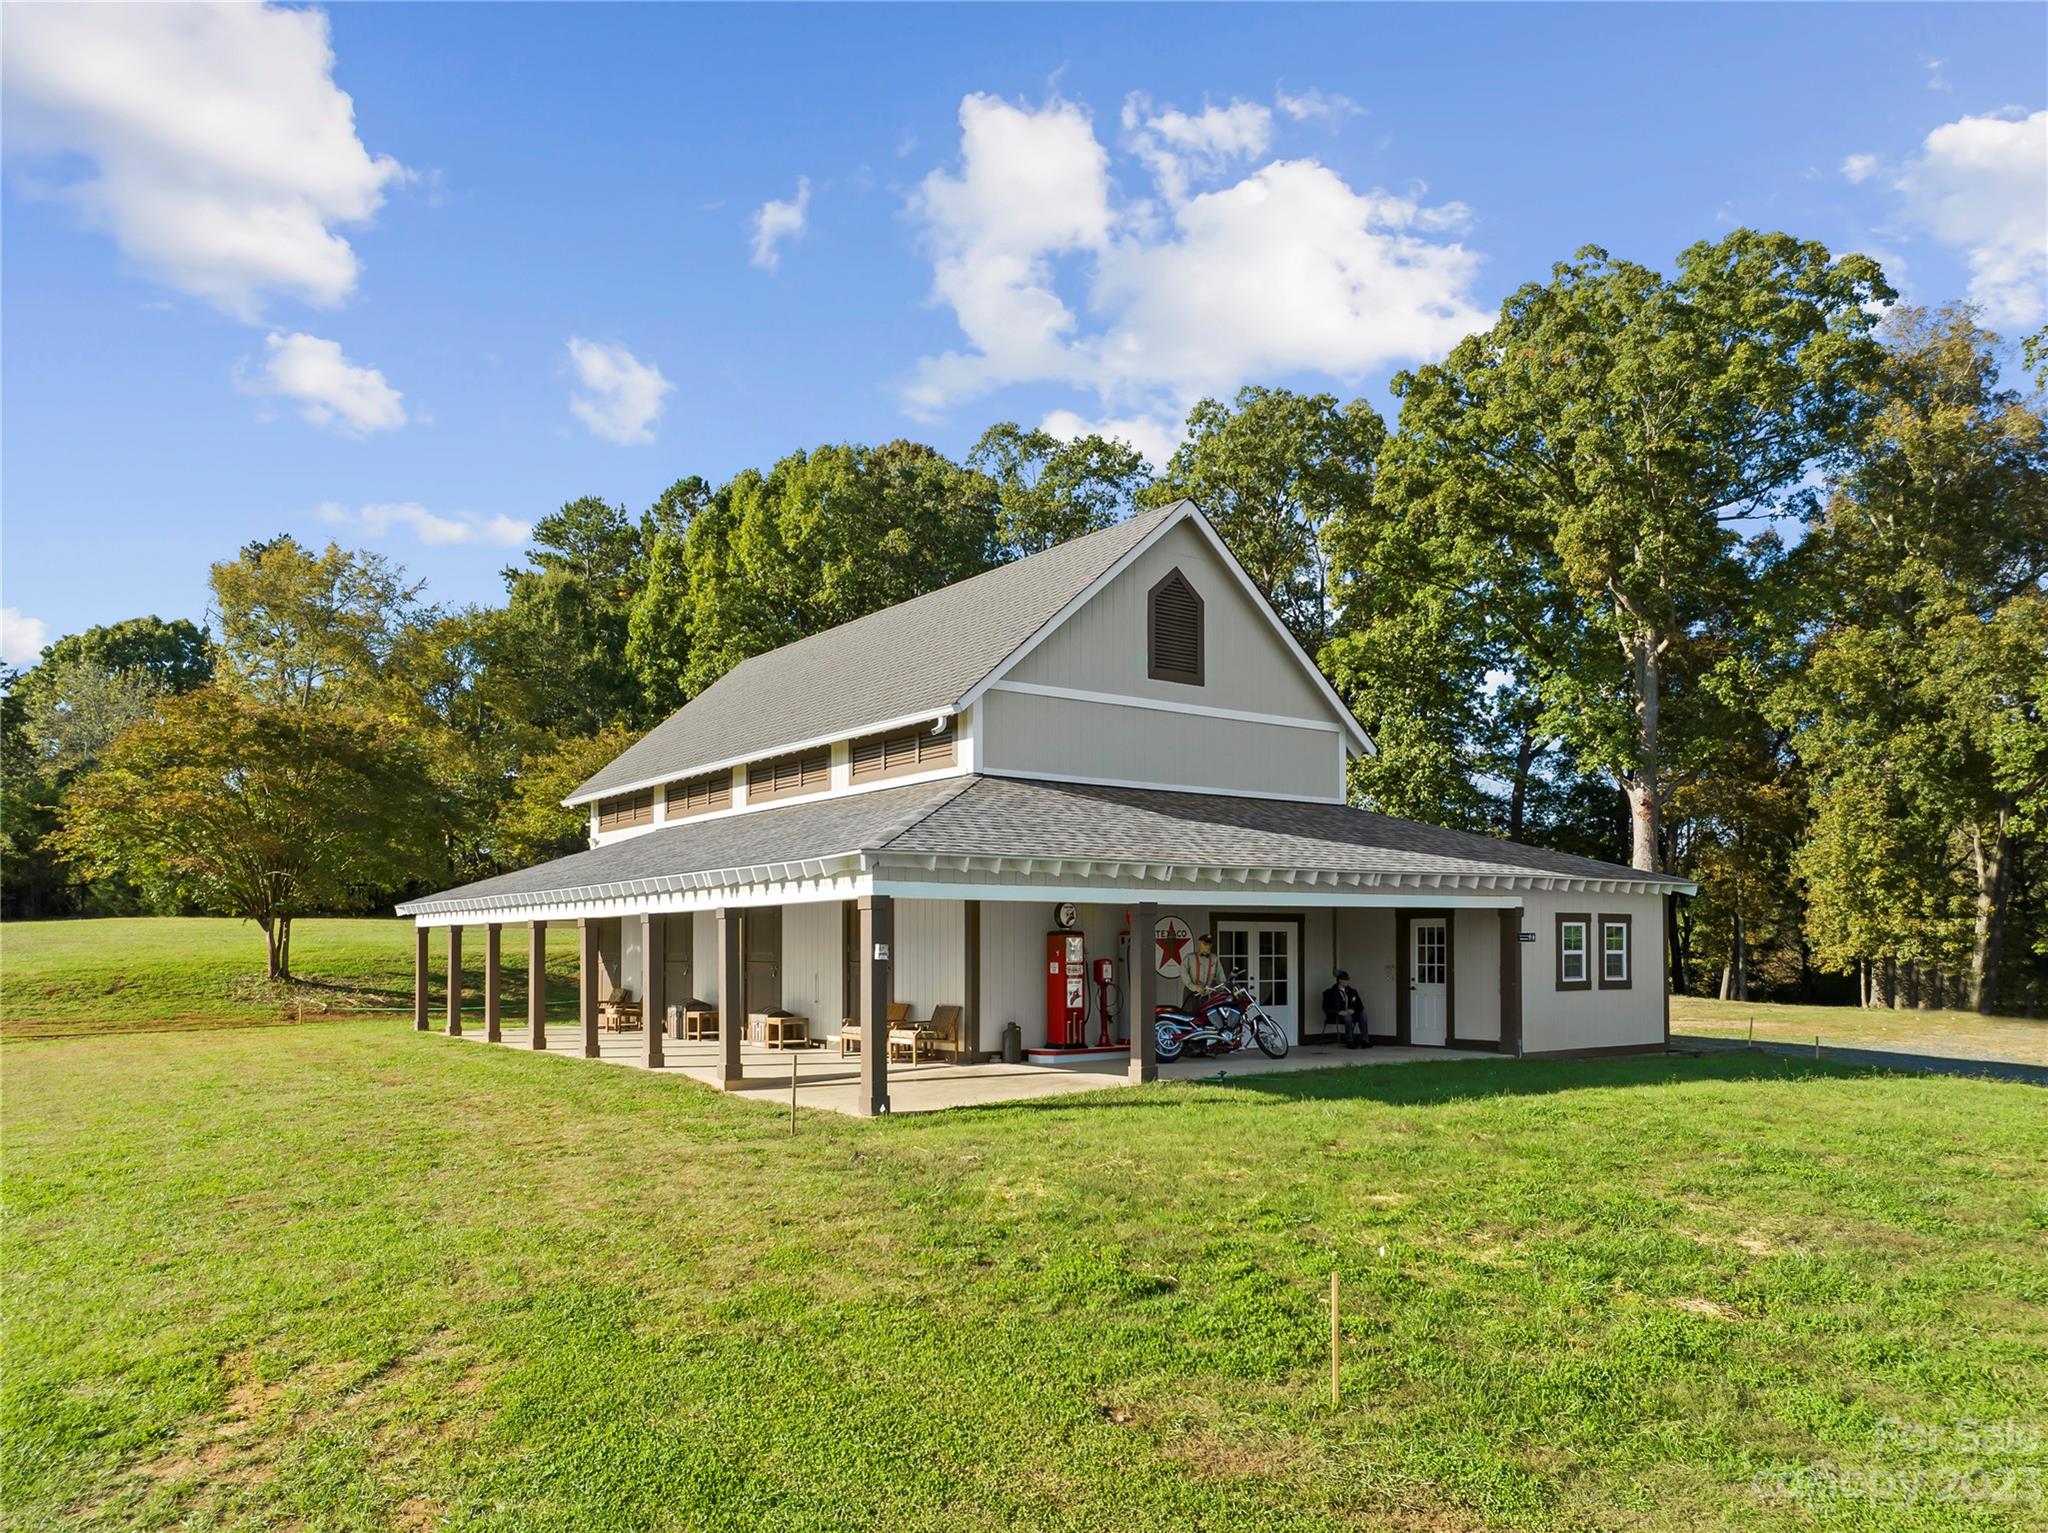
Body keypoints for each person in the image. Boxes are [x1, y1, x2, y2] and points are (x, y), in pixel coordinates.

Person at [1323, 970, 1369, 1048]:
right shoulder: (1329, 993)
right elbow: (1326, 1008)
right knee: (1348, 1017)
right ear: (1340, 980)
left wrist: (1353, 1010)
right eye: (1345, 979)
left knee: (1363, 1014)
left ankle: (1365, 1040)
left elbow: (1360, 1006)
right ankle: (1349, 1041)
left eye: (1348, 979)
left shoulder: (1352, 991)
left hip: (1351, 1013)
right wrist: (1338, 1012)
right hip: (1338, 1015)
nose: (1347, 981)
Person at [1183, 934, 1222, 1008]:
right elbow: (1184, 974)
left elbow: (1221, 977)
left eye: (1210, 944)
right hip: (1191, 994)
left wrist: (1223, 989)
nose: (1208, 947)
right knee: (1189, 1017)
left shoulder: (1214, 958)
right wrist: (1194, 987)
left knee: (1205, 1016)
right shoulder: (1189, 958)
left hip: (1206, 995)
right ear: (1200, 943)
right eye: (1205, 944)